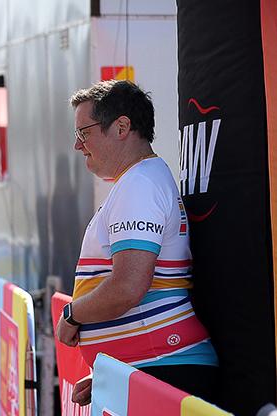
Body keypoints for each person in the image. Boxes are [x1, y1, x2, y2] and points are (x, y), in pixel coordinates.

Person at [56, 80, 218, 405]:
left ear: (121, 126)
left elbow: (128, 287)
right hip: (155, 364)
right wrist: (112, 370)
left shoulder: (140, 183)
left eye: (83, 132)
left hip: (165, 362)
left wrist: (72, 315)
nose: (77, 145)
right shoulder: (140, 179)